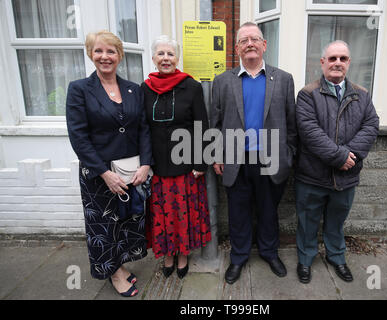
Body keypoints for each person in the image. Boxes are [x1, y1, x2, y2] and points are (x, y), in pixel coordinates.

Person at [66, 30, 152, 297]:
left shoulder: (133, 89)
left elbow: (143, 129)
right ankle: (114, 274)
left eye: (111, 51)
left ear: (120, 55)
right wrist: (104, 173)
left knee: (126, 222)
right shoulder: (80, 89)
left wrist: (145, 164)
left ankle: (121, 265)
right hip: (99, 174)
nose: (105, 57)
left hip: (130, 171)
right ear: (91, 54)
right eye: (99, 51)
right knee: (105, 226)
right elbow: (78, 137)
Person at [210, 22, 297, 284]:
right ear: (236, 48)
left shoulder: (283, 79)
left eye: (254, 39)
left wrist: (288, 154)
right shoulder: (223, 81)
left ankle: (270, 253)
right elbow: (215, 122)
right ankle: (238, 257)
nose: (250, 43)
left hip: (271, 160)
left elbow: (291, 123)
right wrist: (216, 154)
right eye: (244, 40)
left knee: (268, 210)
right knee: (238, 212)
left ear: (264, 45)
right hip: (236, 160)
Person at [295, 40, 379, 284]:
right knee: (308, 222)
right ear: (322, 63)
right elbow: (309, 131)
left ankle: (336, 257)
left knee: (336, 221)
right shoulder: (308, 94)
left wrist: (348, 156)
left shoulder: (361, 94)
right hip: (312, 176)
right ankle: (306, 259)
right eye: (332, 58)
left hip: (346, 176)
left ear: (349, 63)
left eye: (342, 58)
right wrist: (339, 156)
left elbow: (371, 125)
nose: (337, 63)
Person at [142, 35, 211, 279]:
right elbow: (142, 127)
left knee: (184, 214)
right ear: (153, 59)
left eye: (170, 54)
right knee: (163, 215)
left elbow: (202, 124)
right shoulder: (145, 88)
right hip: (159, 165)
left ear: (177, 58)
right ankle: (168, 255)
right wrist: (145, 162)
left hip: (186, 164)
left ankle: (183, 256)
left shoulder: (191, 86)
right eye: (161, 54)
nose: (166, 58)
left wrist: (201, 161)